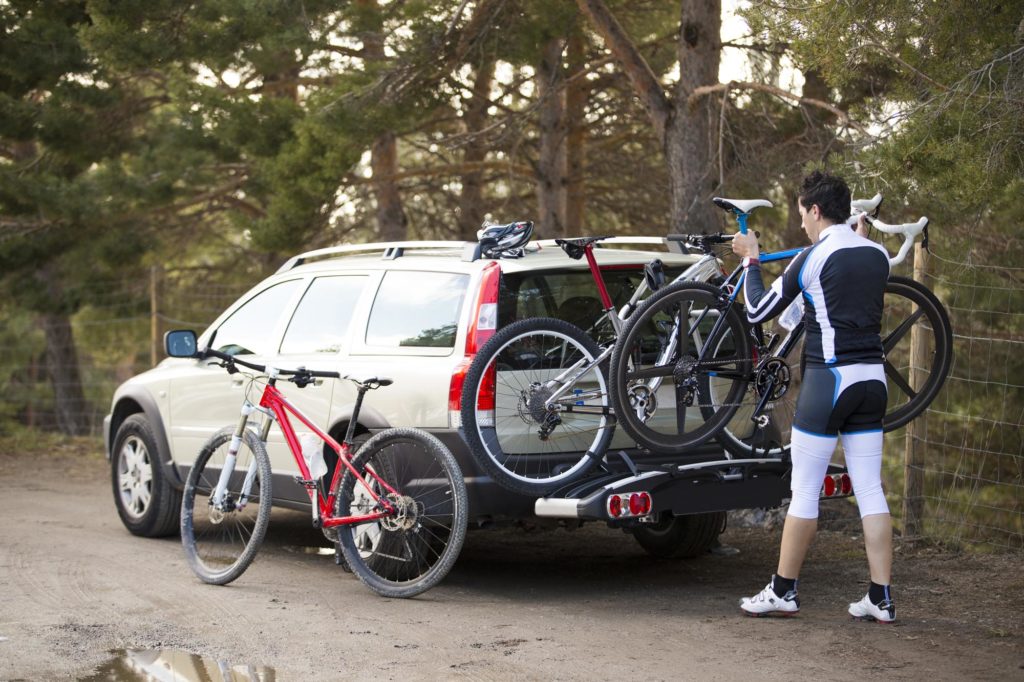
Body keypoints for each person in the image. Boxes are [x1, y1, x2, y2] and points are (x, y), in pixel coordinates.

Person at [730, 170, 896, 623]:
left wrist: (751, 260)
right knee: (869, 489)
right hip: (872, 381)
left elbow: (760, 311)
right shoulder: (878, 254)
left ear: (816, 211)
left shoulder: (812, 255)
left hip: (829, 380)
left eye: (803, 213)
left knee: (804, 490)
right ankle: (880, 598)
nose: (801, 222)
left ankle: (783, 591)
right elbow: (851, 280)